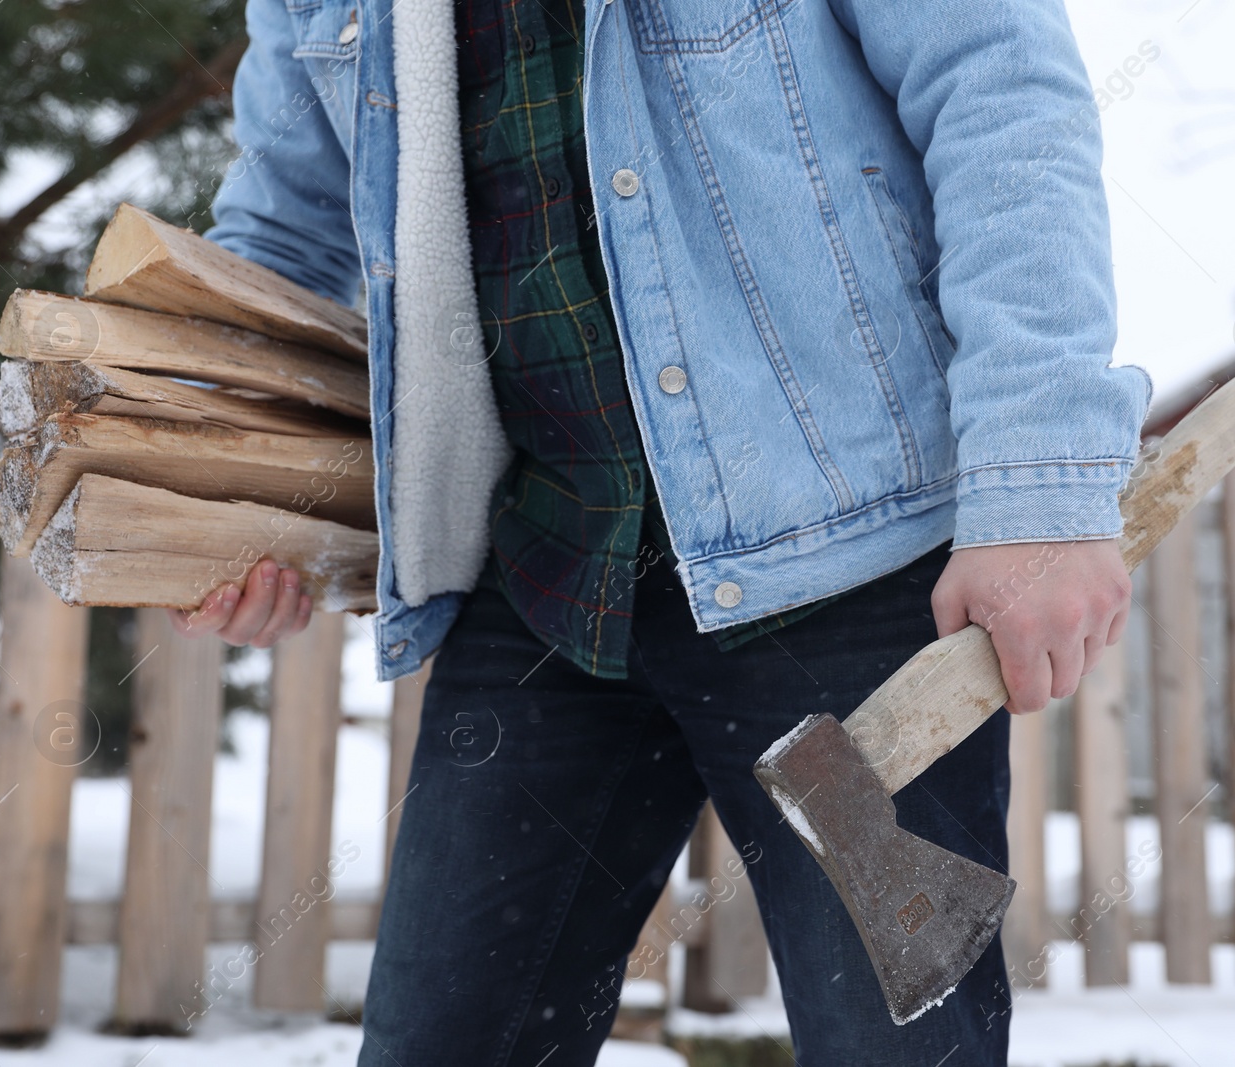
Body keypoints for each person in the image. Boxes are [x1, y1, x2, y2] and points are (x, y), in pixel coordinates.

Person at [172, 0, 1149, 1061]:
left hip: (842, 573)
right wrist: (229, 508)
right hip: (546, 578)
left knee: (899, 1046)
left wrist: (1037, 480)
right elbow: (283, 231)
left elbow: (998, 91)